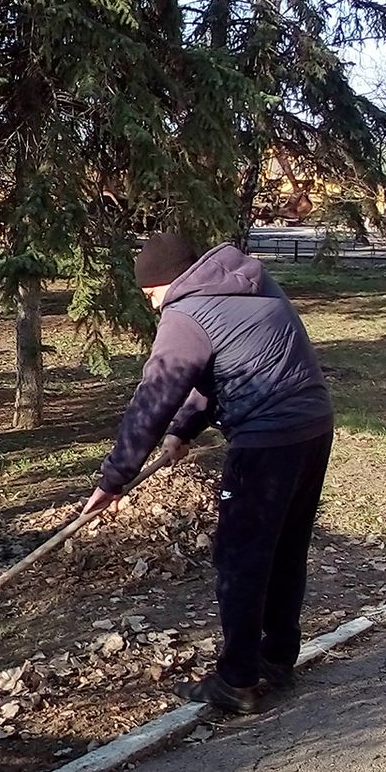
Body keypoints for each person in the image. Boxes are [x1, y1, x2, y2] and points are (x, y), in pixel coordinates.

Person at [83, 231, 334, 713]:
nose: (154, 306)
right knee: (284, 547)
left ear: (166, 283)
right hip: (313, 428)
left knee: (239, 559)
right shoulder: (253, 285)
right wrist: (186, 429)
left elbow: (153, 398)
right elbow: (226, 367)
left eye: (151, 294)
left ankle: (238, 680)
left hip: (265, 441)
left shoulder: (184, 312)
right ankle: (277, 658)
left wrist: (114, 479)